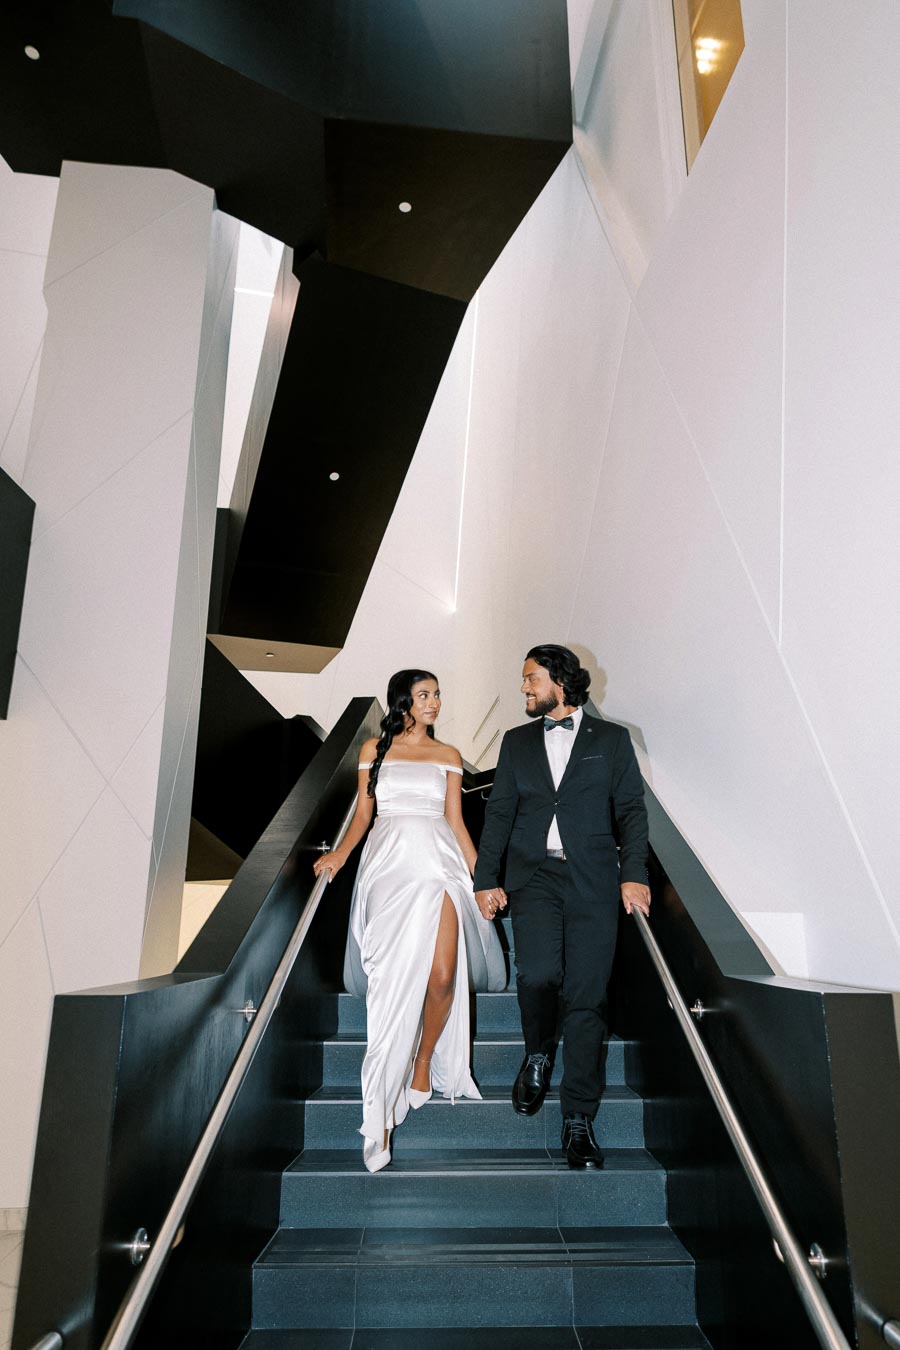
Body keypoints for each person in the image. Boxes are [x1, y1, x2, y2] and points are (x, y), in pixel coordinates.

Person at [314, 669, 505, 1173]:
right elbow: (363, 816)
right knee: (392, 989)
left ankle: (423, 1062)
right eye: (425, 694)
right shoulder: (372, 751)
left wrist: (482, 881)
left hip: (440, 862)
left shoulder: (448, 756)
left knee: (443, 973)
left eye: (438, 693)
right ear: (403, 700)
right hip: (389, 868)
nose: (435, 702)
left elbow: (457, 822)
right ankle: (377, 1112)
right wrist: (337, 856)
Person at [473, 644, 650, 1169]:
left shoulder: (612, 741)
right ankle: (538, 1051)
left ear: (560, 681)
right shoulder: (516, 743)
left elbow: (632, 813)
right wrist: (485, 880)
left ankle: (578, 1117)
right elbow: (499, 815)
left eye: (531, 678)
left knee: (587, 995)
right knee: (539, 977)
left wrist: (634, 875)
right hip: (535, 878)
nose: (524, 687)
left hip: (595, 879)